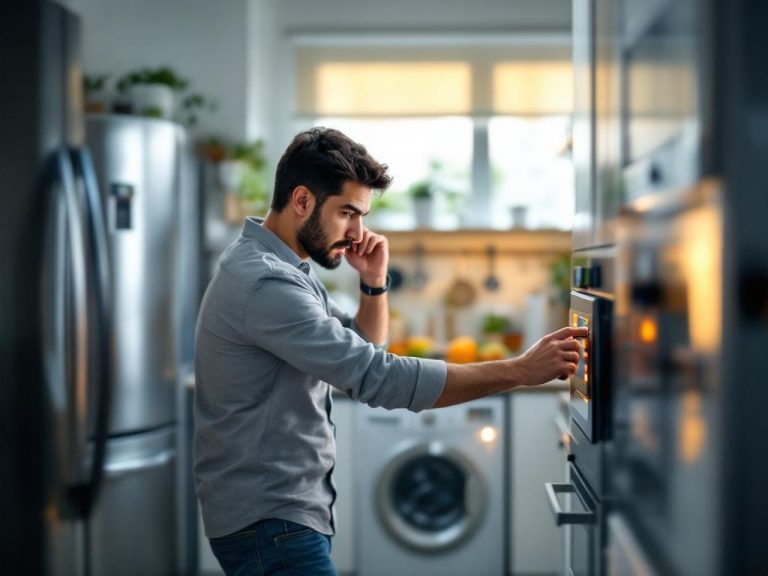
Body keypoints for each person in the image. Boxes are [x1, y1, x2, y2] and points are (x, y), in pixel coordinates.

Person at [194, 127, 586, 576]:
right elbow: (378, 375)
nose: (357, 233)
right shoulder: (266, 282)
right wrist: (519, 370)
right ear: (301, 200)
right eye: (347, 213)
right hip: (270, 522)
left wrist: (374, 281)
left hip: (277, 518)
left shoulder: (287, 268)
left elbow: (362, 344)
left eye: (361, 216)